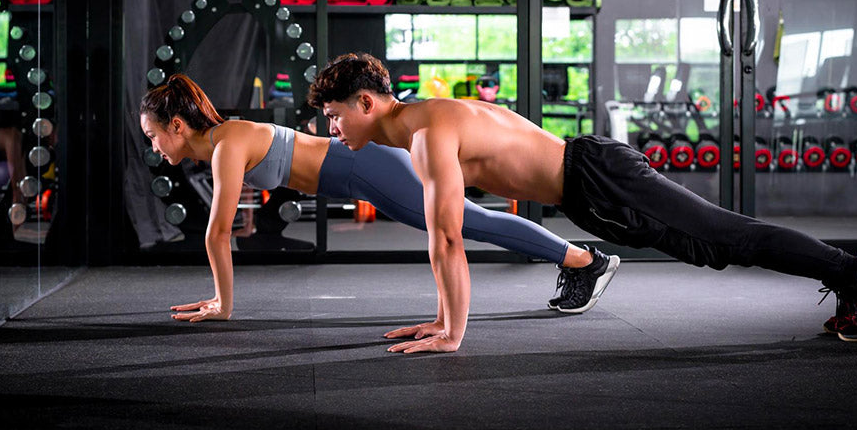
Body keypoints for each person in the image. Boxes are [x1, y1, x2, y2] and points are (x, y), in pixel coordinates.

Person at [308, 52, 857, 354]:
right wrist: (442, 320)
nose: (331, 130)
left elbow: (447, 236)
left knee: (730, 237)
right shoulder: (423, 122)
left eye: (334, 116)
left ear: (366, 102)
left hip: (597, 179)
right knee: (715, 250)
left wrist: (452, 334)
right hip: (591, 187)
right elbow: (451, 230)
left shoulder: (426, 132)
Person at [138, 74, 619, 338]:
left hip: (363, 167)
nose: (154, 147)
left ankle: (585, 260)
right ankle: (582, 259)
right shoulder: (223, 142)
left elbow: (219, 231)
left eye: (153, 135)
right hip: (360, 170)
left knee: (469, 223)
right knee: (468, 221)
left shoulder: (227, 142)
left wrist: (223, 305)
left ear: (177, 126)